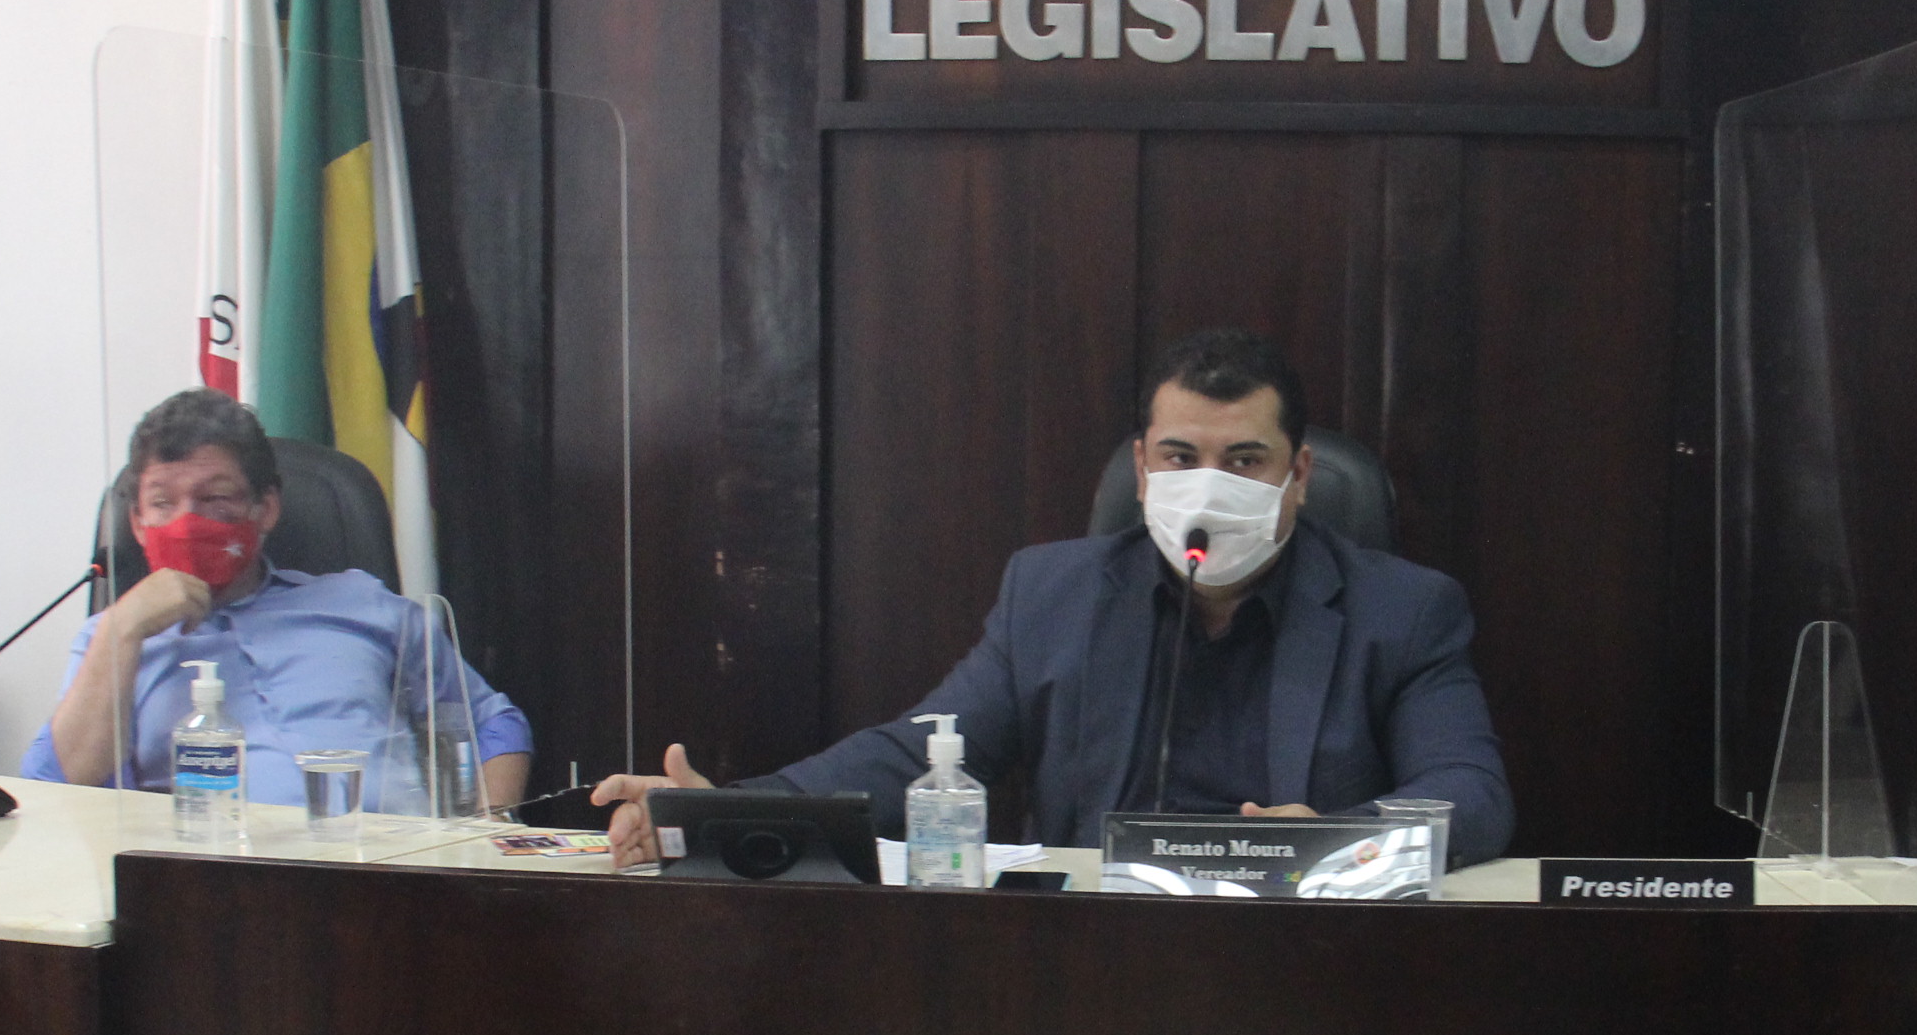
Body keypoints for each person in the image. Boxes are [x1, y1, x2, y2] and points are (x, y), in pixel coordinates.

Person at [594, 328, 1513, 868]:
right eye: (1181, 457)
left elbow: (1469, 794)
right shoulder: (1054, 595)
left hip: (1297, 951)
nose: (1209, 486)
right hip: (1090, 954)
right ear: (1141, 471)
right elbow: (915, 755)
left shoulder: (1403, 611)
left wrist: (1341, 842)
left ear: (1300, 476)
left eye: (1244, 461)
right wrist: (729, 810)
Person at [26, 391, 532, 809]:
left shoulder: (363, 605)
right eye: (162, 502)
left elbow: (494, 725)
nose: (186, 521)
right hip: (212, 883)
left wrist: (481, 844)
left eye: (214, 498)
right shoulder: (112, 639)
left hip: (388, 874)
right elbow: (59, 786)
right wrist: (123, 629)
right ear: (137, 524)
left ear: (265, 508)